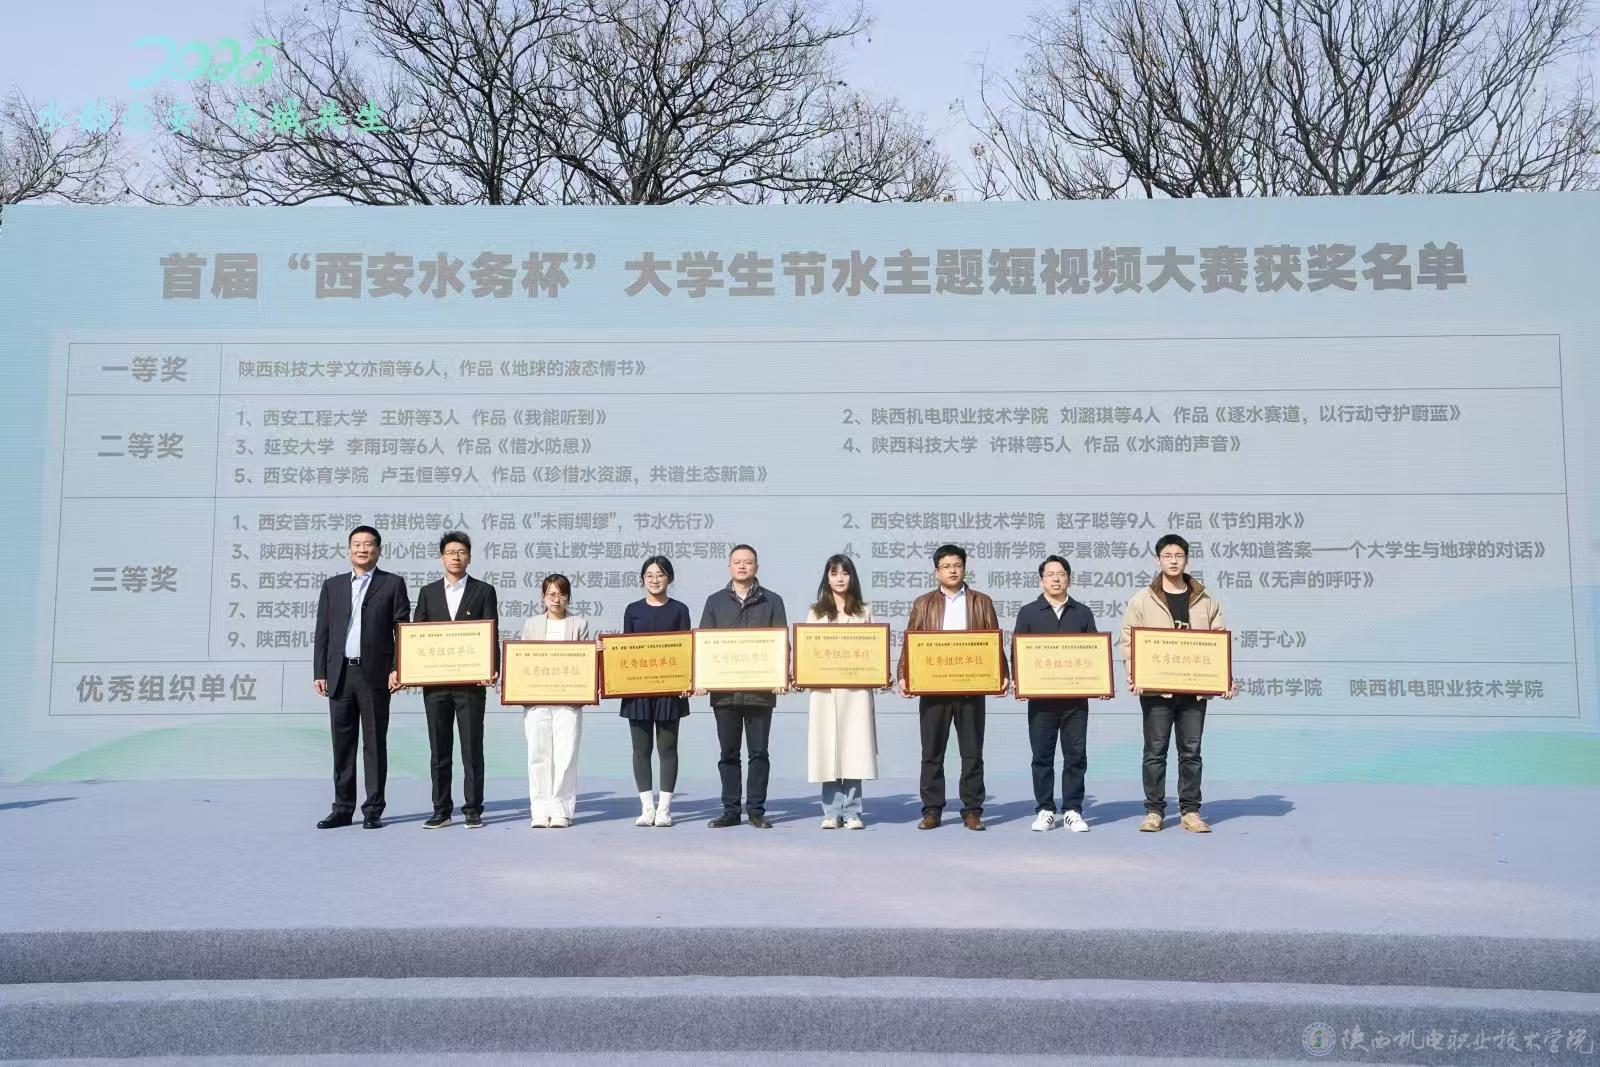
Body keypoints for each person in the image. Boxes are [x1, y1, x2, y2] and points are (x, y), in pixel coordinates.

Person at [1119, 534, 1236, 834]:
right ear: (1158, 560)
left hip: (1194, 692)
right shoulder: (1142, 599)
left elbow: (1218, 641)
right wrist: (1134, 674)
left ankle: (1191, 812)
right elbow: (1128, 639)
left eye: (1178, 555)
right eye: (1167, 555)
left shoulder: (1206, 599)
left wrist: (1224, 679)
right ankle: (1154, 811)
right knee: (1155, 751)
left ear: (1187, 559)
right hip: (1156, 690)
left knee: (1191, 752)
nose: (1173, 560)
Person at [897, 544, 1006, 831]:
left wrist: (1002, 673)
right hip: (933, 689)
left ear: (964, 568)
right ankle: (932, 810)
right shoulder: (923, 603)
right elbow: (910, 641)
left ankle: (972, 810)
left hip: (971, 688)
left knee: (972, 753)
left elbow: (994, 641)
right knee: (932, 752)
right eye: (946, 566)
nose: (952, 570)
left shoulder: (982, 601)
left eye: (957, 565)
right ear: (937, 572)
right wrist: (903, 674)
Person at [312, 525, 410, 830]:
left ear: (378, 550)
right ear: (349, 549)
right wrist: (320, 671)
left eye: (368, 544)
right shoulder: (333, 586)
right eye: (356, 544)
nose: (362, 549)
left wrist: (398, 667)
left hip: (375, 675)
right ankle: (342, 809)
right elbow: (323, 631)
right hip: (340, 674)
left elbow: (402, 630)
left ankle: (373, 809)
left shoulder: (392, 584)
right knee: (342, 745)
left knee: (374, 743)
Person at [412, 532, 500, 830]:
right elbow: (416, 636)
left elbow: (491, 632)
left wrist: (493, 668)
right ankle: (441, 809)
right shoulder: (428, 592)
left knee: (472, 749)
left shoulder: (483, 590)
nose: (456, 557)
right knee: (439, 750)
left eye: (461, 552)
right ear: (442, 558)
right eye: (450, 552)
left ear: (469, 557)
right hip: (435, 685)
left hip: (470, 686)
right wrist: (405, 669)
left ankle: (473, 808)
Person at [699, 544, 788, 829]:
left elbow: (781, 645)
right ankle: (731, 811)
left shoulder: (772, 600)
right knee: (728, 754)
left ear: (756, 567)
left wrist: (781, 677)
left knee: (759, 754)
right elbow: (704, 645)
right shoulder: (715, 601)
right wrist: (701, 678)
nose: (742, 566)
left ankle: (757, 811)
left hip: (760, 693)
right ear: (729, 566)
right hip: (724, 694)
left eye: (748, 562)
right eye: (737, 562)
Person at [1013, 555, 1100, 834]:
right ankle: (1045, 810)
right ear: (1042, 580)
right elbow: (1017, 652)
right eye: (1050, 574)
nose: (1056, 578)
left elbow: (1095, 655)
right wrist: (1020, 682)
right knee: (1042, 756)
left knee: (1076, 755)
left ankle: (1073, 809)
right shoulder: (1028, 613)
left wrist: (1100, 683)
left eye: (1061, 573)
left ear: (1068, 579)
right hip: (1041, 701)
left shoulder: (1082, 613)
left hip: (1076, 702)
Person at [804, 554, 880, 829]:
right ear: (827, 578)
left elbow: (874, 651)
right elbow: (807, 651)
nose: (839, 578)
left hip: (855, 692)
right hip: (824, 693)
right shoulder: (816, 612)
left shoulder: (864, 611)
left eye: (845, 573)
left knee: (854, 750)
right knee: (827, 751)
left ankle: (852, 812)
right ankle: (831, 812)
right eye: (834, 573)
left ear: (852, 577)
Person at [620, 556, 691, 827]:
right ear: (643, 579)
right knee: (640, 749)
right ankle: (647, 808)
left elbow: (685, 649)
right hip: (637, 690)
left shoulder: (679, 610)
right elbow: (624, 649)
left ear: (669, 578)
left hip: (668, 691)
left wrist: (686, 680)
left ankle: (665, 809)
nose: (654, 580)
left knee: (667, 748)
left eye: (660, 575)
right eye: (649, 575)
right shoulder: (632, 610)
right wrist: (607, 651)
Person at [519, 574, 590, 829]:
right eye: (551, 594)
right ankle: (540, 810)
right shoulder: (531, 624)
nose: (556, 599)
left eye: (561, 594)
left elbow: (585, 662)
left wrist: (595, 653)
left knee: (566, 755)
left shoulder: (579, 624)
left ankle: (561, 809)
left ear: (568, 597)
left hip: (568, 701)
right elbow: (522, 660)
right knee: (538, 755)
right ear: (543, 597)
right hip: (537, 700)